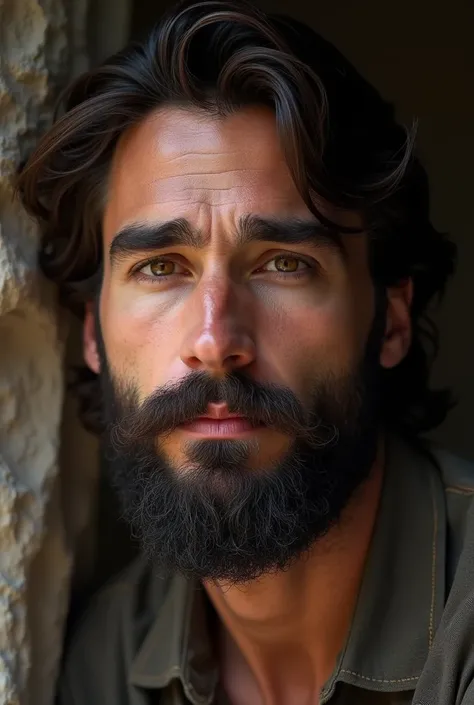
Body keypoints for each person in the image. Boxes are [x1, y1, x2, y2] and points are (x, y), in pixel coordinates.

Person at [17, 0, 474, 703]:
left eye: (284, 265)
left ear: (390, 319)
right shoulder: (108, 660)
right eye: (161, 266)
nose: (214, 341)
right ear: (92, 332)